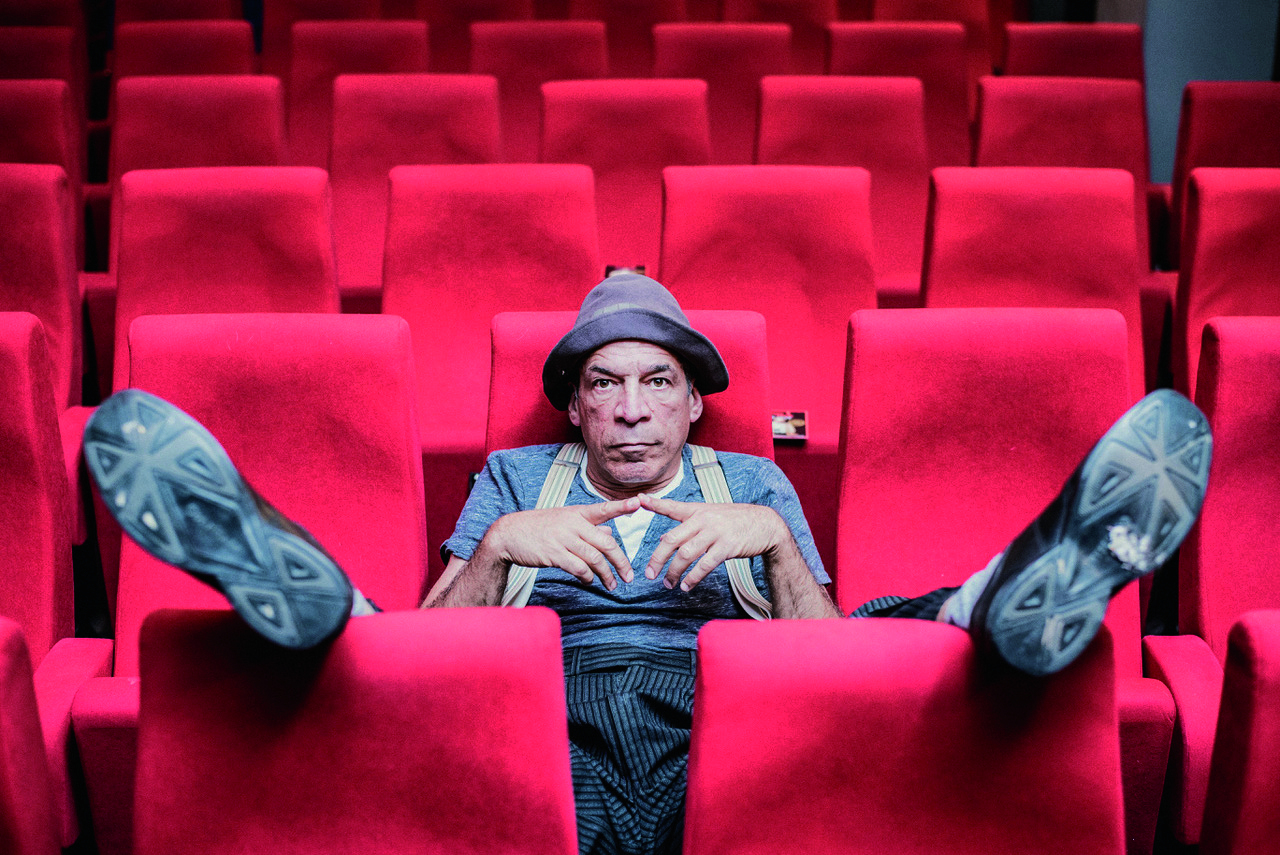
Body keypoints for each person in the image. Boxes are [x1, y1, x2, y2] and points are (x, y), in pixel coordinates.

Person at [83, 273, 1211, 855]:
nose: (631, 409)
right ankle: (294, 585)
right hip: (548, 696)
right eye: (605, 386)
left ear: (692, 403)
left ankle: (994, 602)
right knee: (376, 638)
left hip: (721, 699)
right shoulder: (514, 478)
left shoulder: (753, 483)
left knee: (888, 623)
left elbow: (829, 663)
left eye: (657, 382)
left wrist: (774, 545)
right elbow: (431, 654)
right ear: (573, 407)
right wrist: (498, 547)